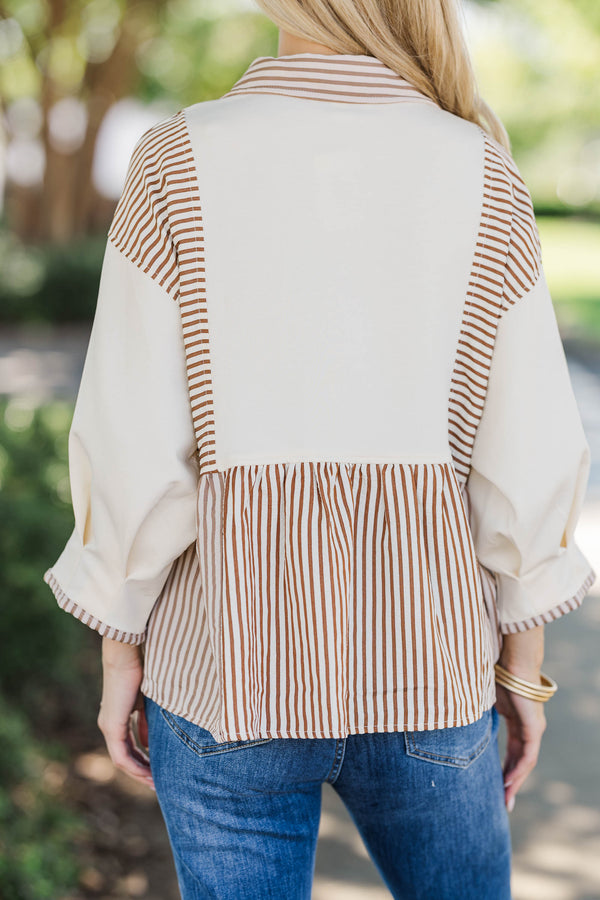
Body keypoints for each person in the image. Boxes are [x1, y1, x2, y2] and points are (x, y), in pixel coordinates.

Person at [43, 1, 596, 897]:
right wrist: (523, 675)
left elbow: (132, 439)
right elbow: (526, 447)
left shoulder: (177, 158)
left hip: (223, 668)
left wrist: (120, 654)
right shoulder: (481, 167)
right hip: (430, 671)